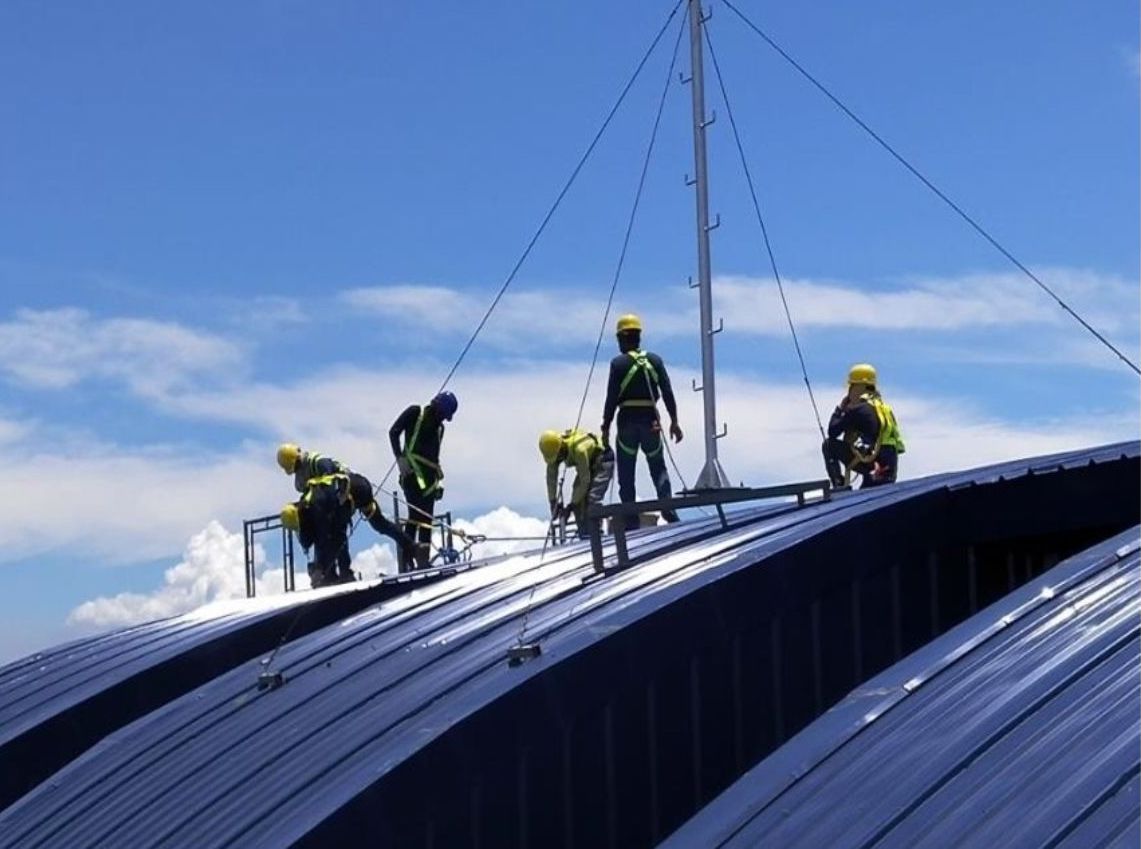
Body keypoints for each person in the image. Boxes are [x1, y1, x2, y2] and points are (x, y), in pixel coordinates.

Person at [600, 314, 683, 522]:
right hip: (650, 420)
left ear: (621, 338)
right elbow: (667, 391)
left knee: (626, 471)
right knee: (657, 466)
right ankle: (667, 508)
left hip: (627, 422)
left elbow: (611, 398)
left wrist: (606, 426)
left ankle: (630, 518)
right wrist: (674, 421)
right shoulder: (654, 361)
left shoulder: (618, 364)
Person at [276, 443, 414, 568]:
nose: (297, 470)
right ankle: (332, 571)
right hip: (341, 500)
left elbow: (332, 485)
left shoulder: (317, 462)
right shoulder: (300, 481)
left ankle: (411, 547)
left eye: (296, 465)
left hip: (350, 491)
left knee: (345, 529)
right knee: (333, 529)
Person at [389, 391, 458, 570]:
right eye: (441, 415)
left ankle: (423, 561)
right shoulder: (415, 412)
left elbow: (434, 456)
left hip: (429, 480)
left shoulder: (440, 429)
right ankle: (408, 561)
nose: (441, 419)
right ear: (436, 407)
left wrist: (438, 480)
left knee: (427, 519)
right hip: (411, 473)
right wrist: (400, 458)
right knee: (415, 516)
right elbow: (394, 432)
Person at [822, 363, 905, 489]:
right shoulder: (883, 409)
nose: (849, 393)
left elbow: (833, 431)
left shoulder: (859, 410)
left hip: (874, 467)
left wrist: (840, 409)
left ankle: (839, 485)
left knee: (828, 445)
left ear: (858, 388)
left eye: (851, 387)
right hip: (888, 469)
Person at [280, 473, 355, 588]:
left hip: (332, 518)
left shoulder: (310, 507)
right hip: (333, 513)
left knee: (332, 541)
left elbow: (312, 539)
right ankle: (337, 573)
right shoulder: (307, 503)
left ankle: (337, 574)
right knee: (332, 541)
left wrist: (319, 566)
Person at [539, 428, 615, 538]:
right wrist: (553, 502)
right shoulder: (554, 451)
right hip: (587, 464)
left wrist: (570, 506)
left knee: (592, 497)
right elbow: (551, 477)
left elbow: (585, 481)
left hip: (603, 459)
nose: (558, 460)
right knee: (579, 500)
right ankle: (584, 534)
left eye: (558, 456)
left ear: (561, 447)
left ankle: (596, 533)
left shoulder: (579, 450)